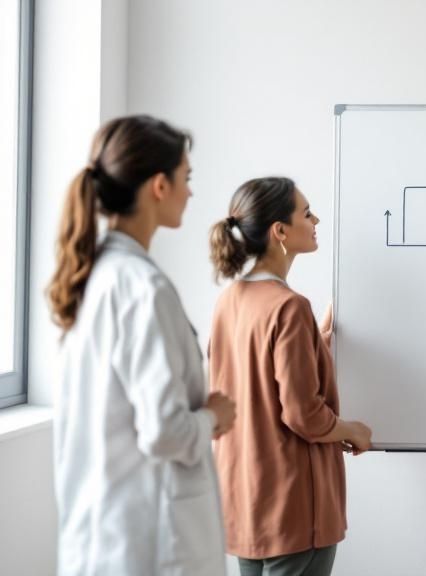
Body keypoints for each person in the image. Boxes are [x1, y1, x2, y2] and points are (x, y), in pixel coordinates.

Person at [48, 115, 235, 576]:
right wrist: (214, 416)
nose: (190, 192)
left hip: (105, 535)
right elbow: (163, 432)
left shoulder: (93, 276)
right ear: (159, 186)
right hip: (148, 544)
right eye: (185, 178)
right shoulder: (142, 288)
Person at [207, 176, 372, 576]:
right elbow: (302, 415)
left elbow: (243, 386)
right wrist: (351, 429)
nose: (316, 219)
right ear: (279, 231)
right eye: (306, 212)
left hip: (247, 501)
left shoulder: (228, 301)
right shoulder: (290, 307)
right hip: (295, 509)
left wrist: (316, 342)